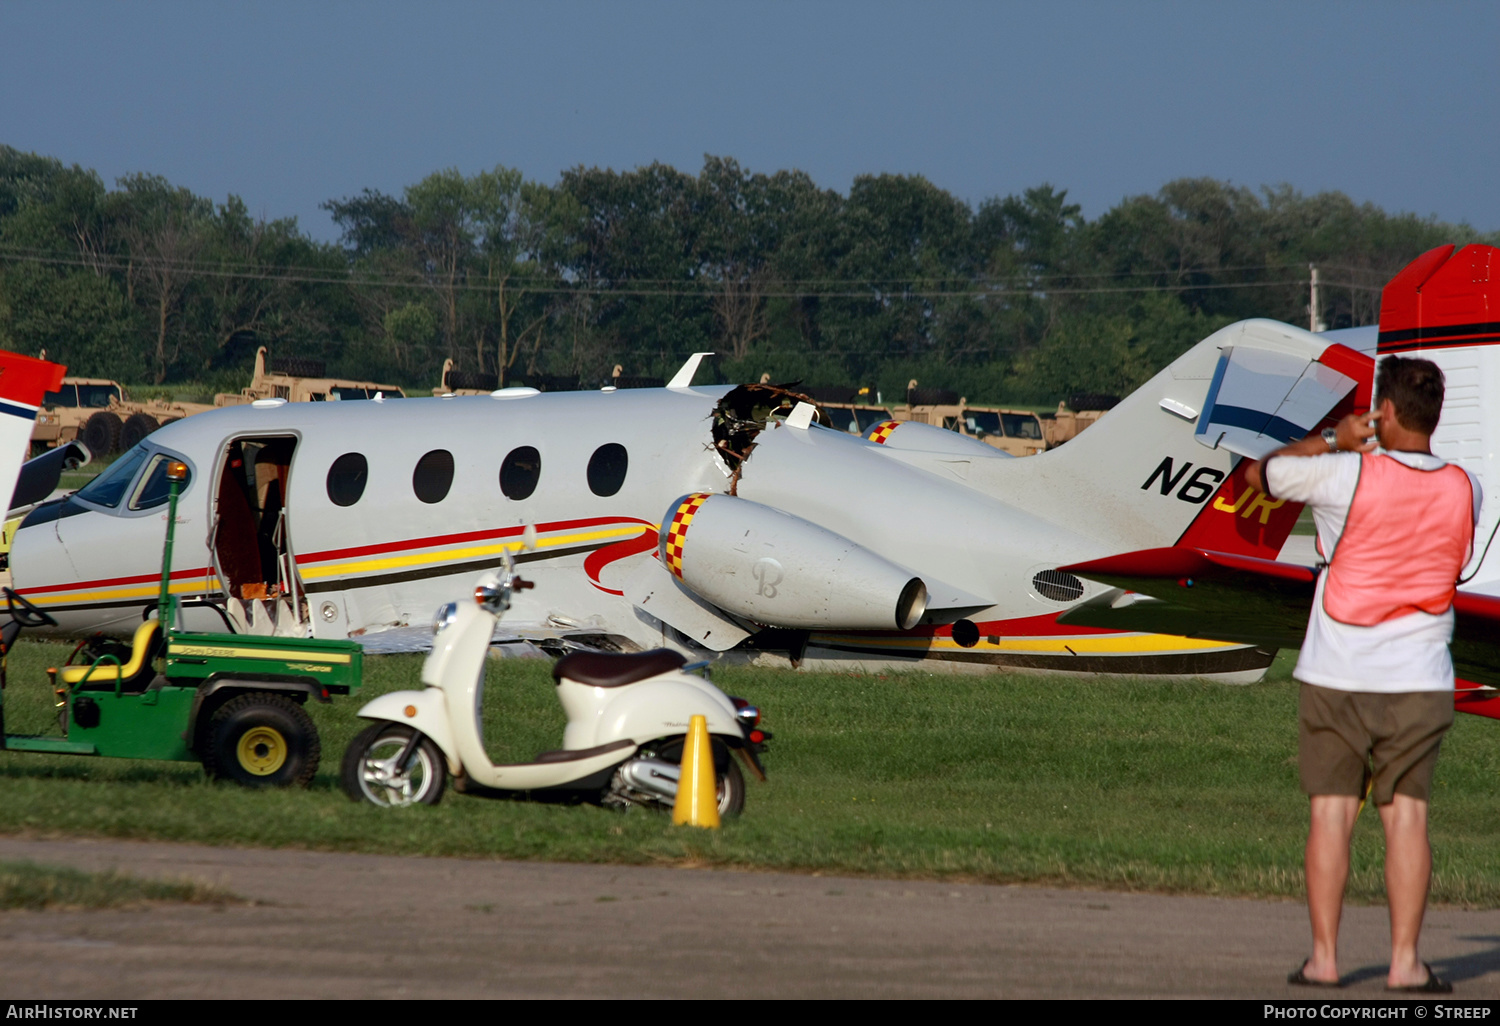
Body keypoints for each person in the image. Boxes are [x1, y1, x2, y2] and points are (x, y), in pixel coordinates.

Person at [1245, 356, 1481, 993]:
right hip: (1420, 673)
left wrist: (1332, 438)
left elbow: (1260, 474)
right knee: (1407, 818)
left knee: (1331, 815)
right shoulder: (1467, 486)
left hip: (1338, 669)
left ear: (1386, 412)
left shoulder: (1342, 476)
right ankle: (1405, 963)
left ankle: (1324, 959)